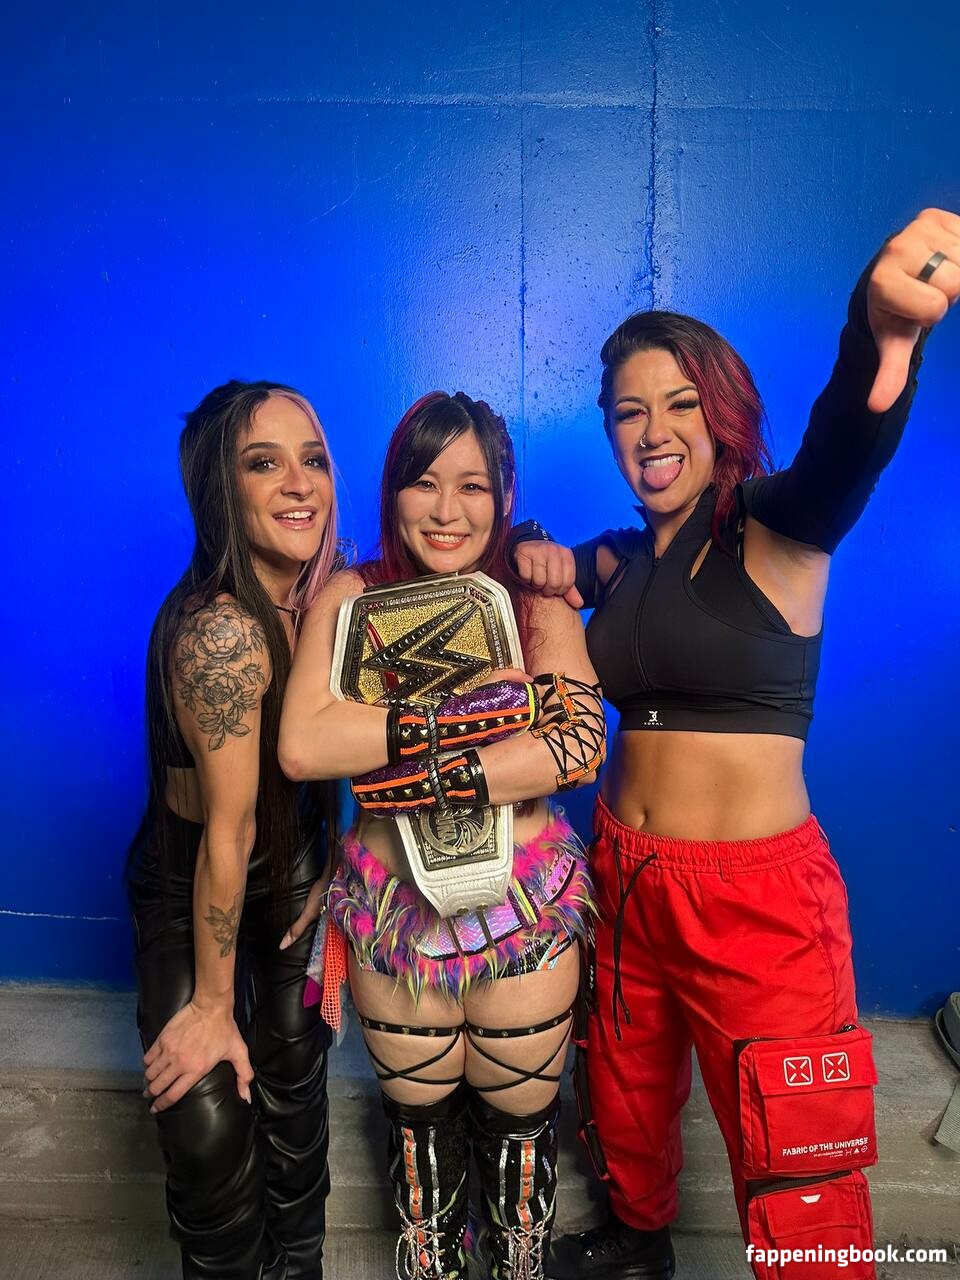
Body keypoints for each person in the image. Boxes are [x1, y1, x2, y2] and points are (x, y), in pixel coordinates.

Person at [510, 209, 960, 1280]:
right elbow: (536, 562)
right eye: (629, 411)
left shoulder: (774, 529)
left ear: (720, 414)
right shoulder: (623, 560)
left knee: (797, 1149)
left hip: (758, 901)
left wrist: (881, 334)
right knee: (621, 1085)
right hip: (626, 874)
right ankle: (637, 1238)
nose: (653, 430)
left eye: (679, 403)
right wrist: (533, 552)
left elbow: (844, 449)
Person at [279, 391, 605, 1280]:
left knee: (522, 1166)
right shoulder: (350, 595)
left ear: (504, 496)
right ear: (393, 490)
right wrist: (481, 718)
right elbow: (304, 744)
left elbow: (578, 743)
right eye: (424, 482)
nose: (447, 510)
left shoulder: (532, 600)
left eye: (472, 485)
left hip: (524, 922)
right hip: (395, 924)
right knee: (420, 1162)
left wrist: (404, 762)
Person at [128, 379, 340, 1279]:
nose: (299, 484)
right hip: (194, 872)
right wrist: (214, 1010)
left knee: (295, 1072)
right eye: (264, 463)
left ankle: (300, 1265)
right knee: (205, 1114)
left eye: (313, 459)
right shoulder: (221, 632)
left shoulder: (332, 597)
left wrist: (332, 861)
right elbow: (229, 830)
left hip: (291, 862)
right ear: (222, 490)